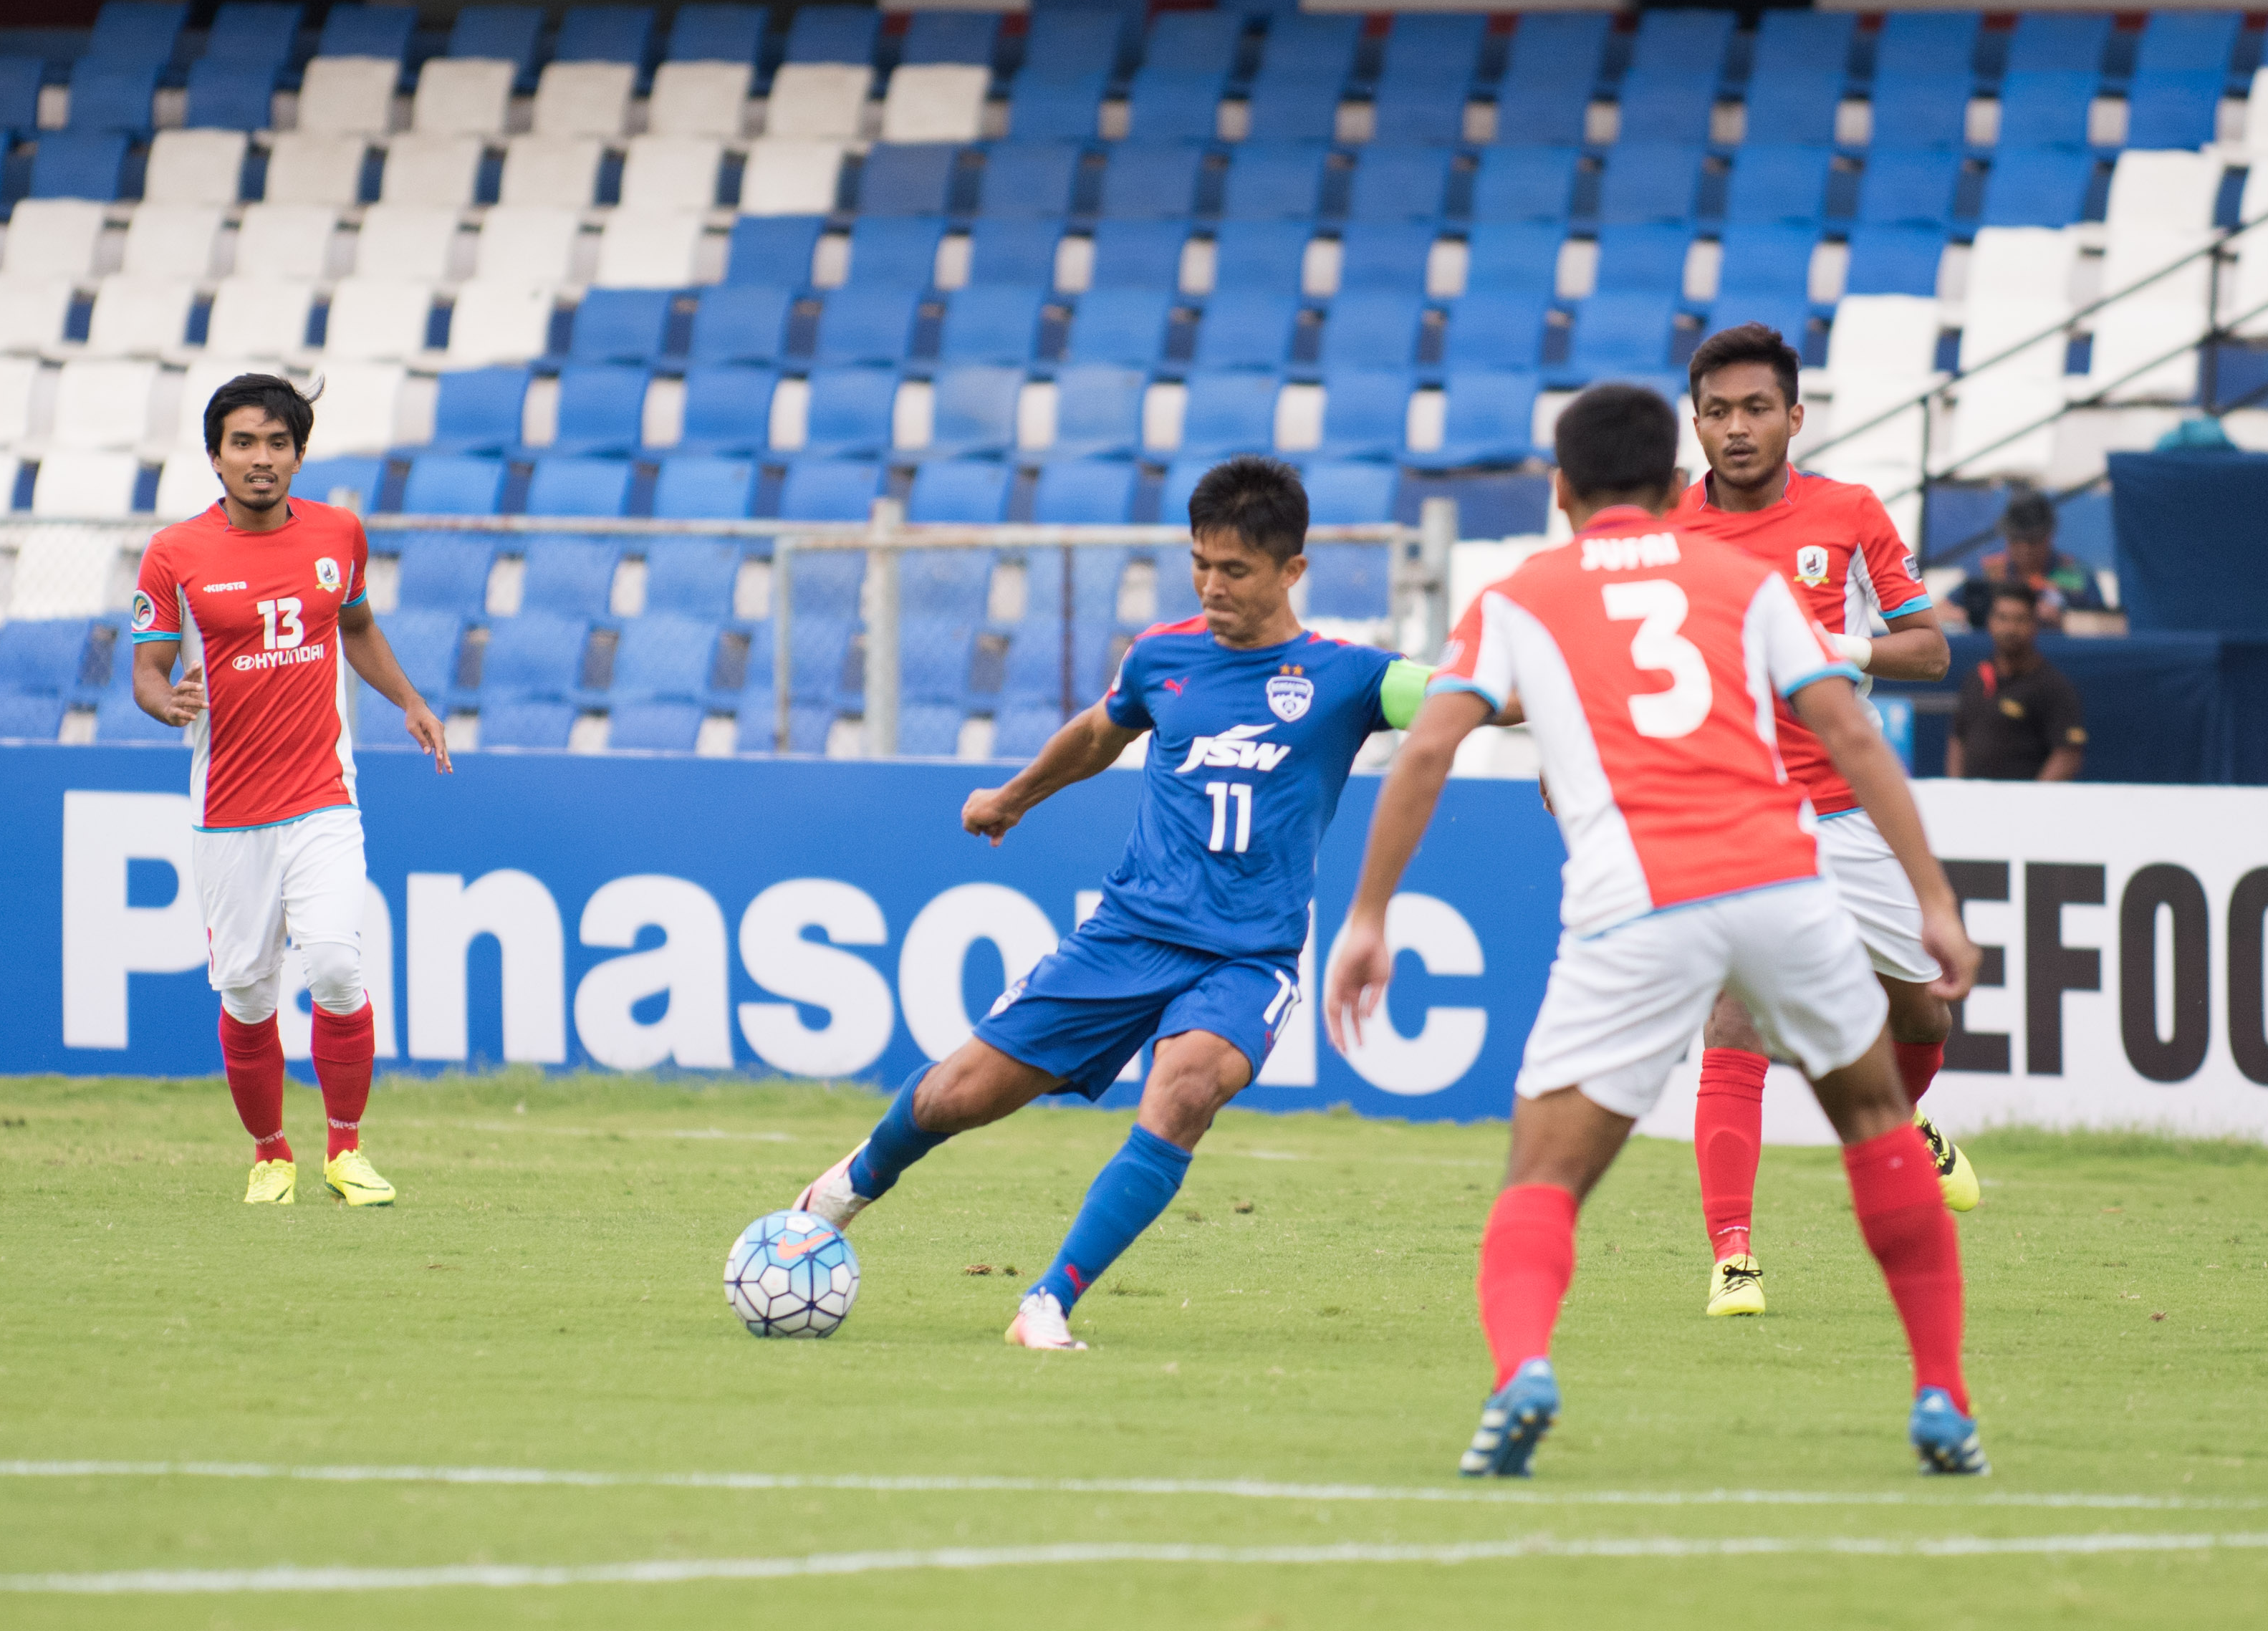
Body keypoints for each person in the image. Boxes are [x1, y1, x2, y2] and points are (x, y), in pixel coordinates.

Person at [1321, 383, 1989, 1480]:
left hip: (1638, 896)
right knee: (1875, 1118)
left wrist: (1366, 915)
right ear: (1679, 486)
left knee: (1540, 1169)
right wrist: (1932, 897)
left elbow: (1431, 747)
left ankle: (1521, 1372)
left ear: (1559, 491)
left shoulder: (1522, 593)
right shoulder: (1742, 577)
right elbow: (1852, 736)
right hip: (1780, 876)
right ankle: (1941, 1396)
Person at [792, 457, 1486, 1350]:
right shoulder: (1164, 656)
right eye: (1200, 563)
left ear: (1292, 572)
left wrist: (1563, 716)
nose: (1211, 585)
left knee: (1184, 1089)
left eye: (1234, 570)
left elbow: (1463, 697)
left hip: (1244, 959)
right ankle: (839, 1195)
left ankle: (1046, 1304)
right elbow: (1096, 734)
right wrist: (1011, 797)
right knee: (957, 1096)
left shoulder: (1348, 679)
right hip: (1126, 936)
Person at [1670, 324, 1977, 1322]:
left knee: (1922, 1013)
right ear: (1696, 423)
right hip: (1735, 811)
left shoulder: (1846, 514)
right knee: (1733, 1018)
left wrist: (1840, 645)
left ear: (1793, 417)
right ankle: (1731, 1259)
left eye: (1755, 408)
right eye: (1716, 411)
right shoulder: (1666, 530)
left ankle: (1909, 1117)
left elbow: (1930, 651)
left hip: (1845, 814)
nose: (1736, 428)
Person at [130, 373, 452, 1208]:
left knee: (338, 967)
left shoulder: (341, 533)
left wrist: (411, 702)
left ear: (300, 454)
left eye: (278, 443)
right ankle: (271, 1154)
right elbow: (147, 671)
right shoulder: (175, 553)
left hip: (322, 794)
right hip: (227, 811)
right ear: (215, 456)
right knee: (246, 992)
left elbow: (357, 628)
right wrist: (166, 702)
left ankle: (345, 1151)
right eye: (244, 443)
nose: (261, 459)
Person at [1947, 584, 2088, 782]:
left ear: (2034, 625)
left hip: (2024, 808)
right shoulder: (1976, 676)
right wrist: (1957, 791)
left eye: (2019, 620)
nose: (2010, 629)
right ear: (1990, 622)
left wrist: (2031, 804)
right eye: (2002, 618)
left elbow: (2067, 756)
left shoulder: (2053, 687)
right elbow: (1958, 738)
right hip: (1972, 806)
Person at [1949, 488, 2113, 631]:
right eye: (2016, 540)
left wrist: (2062, 620)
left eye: (2032, 540)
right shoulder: (1990, 572)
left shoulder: (2074, 573)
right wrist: (1966, 617)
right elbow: (1942, 609)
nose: (2024, 548)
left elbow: (2107, 626)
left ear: (2049, 537)